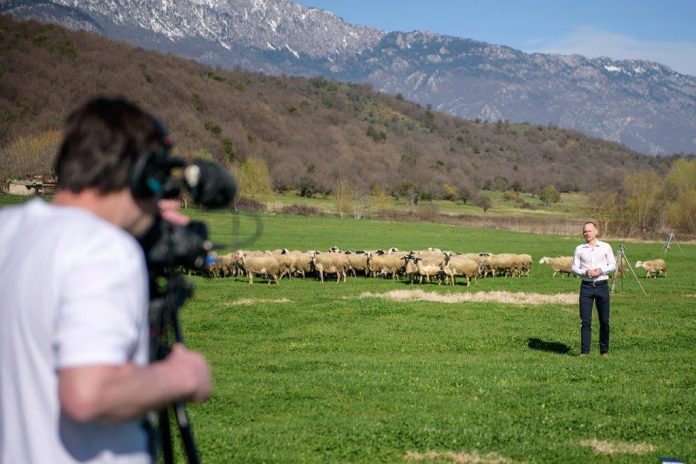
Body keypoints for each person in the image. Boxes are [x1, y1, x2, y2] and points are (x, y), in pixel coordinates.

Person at [0, 97, 211, 463]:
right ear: (143, 174)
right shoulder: (103, 248)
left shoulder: (10, 231)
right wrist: (181, 376)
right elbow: (88, 393)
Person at [571, 221, 617, 357]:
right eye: (585, 231)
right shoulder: (579, 249)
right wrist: (585, 272)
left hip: (602, 286)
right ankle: (585, 352)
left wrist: (601, 270)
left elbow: (613, 265)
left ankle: (604, 351)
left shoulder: (605, 247)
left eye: (590, 231)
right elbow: (574, 267)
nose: (587, 233)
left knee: (604, 321)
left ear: (596, 231)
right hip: (586, 288)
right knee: (585, 321)